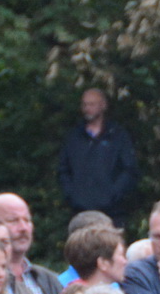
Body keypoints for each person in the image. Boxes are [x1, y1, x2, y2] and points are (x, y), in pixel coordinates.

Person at [56, 88, 139, 225]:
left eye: (92, 104)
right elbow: (63, 169)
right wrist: (72, 195)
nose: (87, 108)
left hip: (112, 213)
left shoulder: (117, 135)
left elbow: (129, 169)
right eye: (84, 104)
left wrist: (113, 194)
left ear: (103, 105)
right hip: (79, 211)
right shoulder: (74, 137)